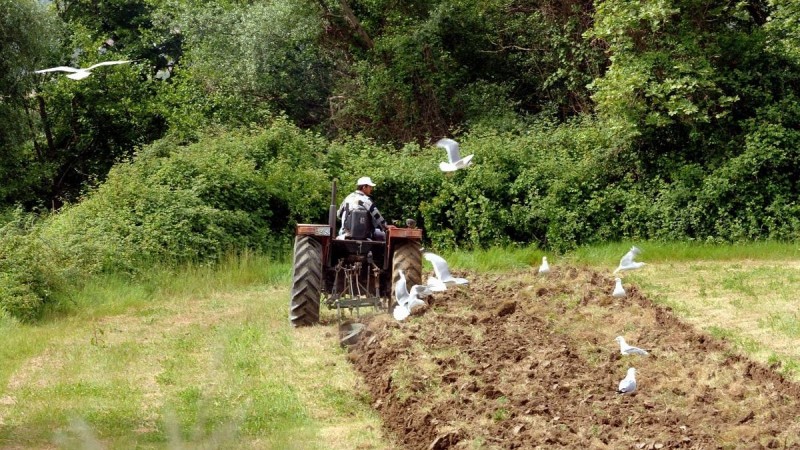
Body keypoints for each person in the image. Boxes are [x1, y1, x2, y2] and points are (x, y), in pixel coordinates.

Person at [337, 176, 389, 240]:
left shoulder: (347, 198)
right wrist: (386, 227)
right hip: (364, 235)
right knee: (382, 235)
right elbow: (377, 216)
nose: (371, 189)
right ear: (364, 187)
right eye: (370, 187)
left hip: (344, 233)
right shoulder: (366, 200)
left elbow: (339, 215)